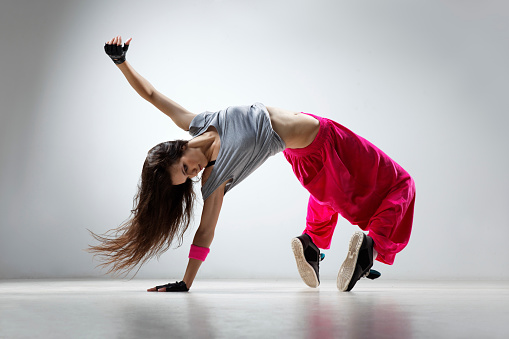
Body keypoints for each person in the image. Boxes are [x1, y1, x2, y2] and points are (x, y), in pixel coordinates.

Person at [87, 35, 416, 293]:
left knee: (328, 196)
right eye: (187, 178)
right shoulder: (215, 180)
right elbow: (205, 231)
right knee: (402, 184)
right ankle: (370, 247)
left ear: (177, 150)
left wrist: (121, 61)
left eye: (185, 169)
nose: (194, 173)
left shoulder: (196, 122)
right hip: (324, 138)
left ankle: (312, 246)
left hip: (304, 159)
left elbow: (152, 95)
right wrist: (186, 282)